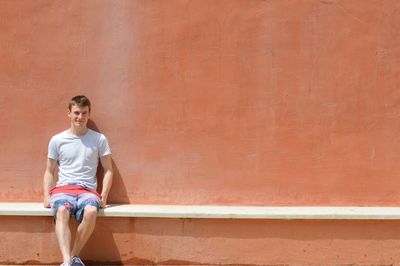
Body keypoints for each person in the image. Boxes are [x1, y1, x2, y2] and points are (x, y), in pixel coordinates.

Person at [43, 95, 113, 266]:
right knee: (61, 211)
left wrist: (104, 195)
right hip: (63, 189)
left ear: (89, 114)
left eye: (84, 113)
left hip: (87, 191)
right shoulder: (57, 140)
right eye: (76, 113)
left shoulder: (99, 139)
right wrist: (46, 195)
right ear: (69, 113)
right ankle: (67, 261)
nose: (80, 117)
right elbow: (49, 171)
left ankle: (73, 257)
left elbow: (108, 169)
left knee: (91, 212)